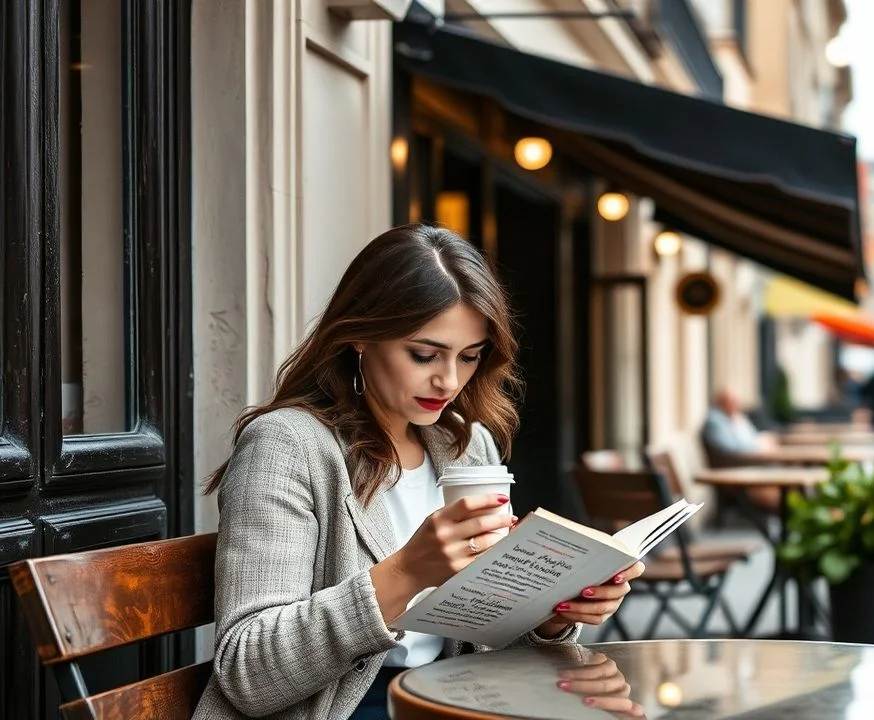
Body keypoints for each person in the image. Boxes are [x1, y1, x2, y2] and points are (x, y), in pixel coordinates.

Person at [194, 225, 643, 719]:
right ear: (359, 336)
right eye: (424, 354)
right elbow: (247, 672)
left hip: (453, 700)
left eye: (470, 357)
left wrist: (554, 615)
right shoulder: (288, 446)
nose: (448, 380)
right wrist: (406, 572)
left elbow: (485, 634)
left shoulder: (466, 446)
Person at [701, 388, 780, 511]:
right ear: (721, 402)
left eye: (736, 401)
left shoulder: (736, 418)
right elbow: (731, 448)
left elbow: (751, 438)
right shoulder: (716, 421)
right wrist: (759, 445)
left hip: (745, 467)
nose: (736, 405)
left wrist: (761, 441)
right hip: (735, 472)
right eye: (732, 401)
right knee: (778, 490)